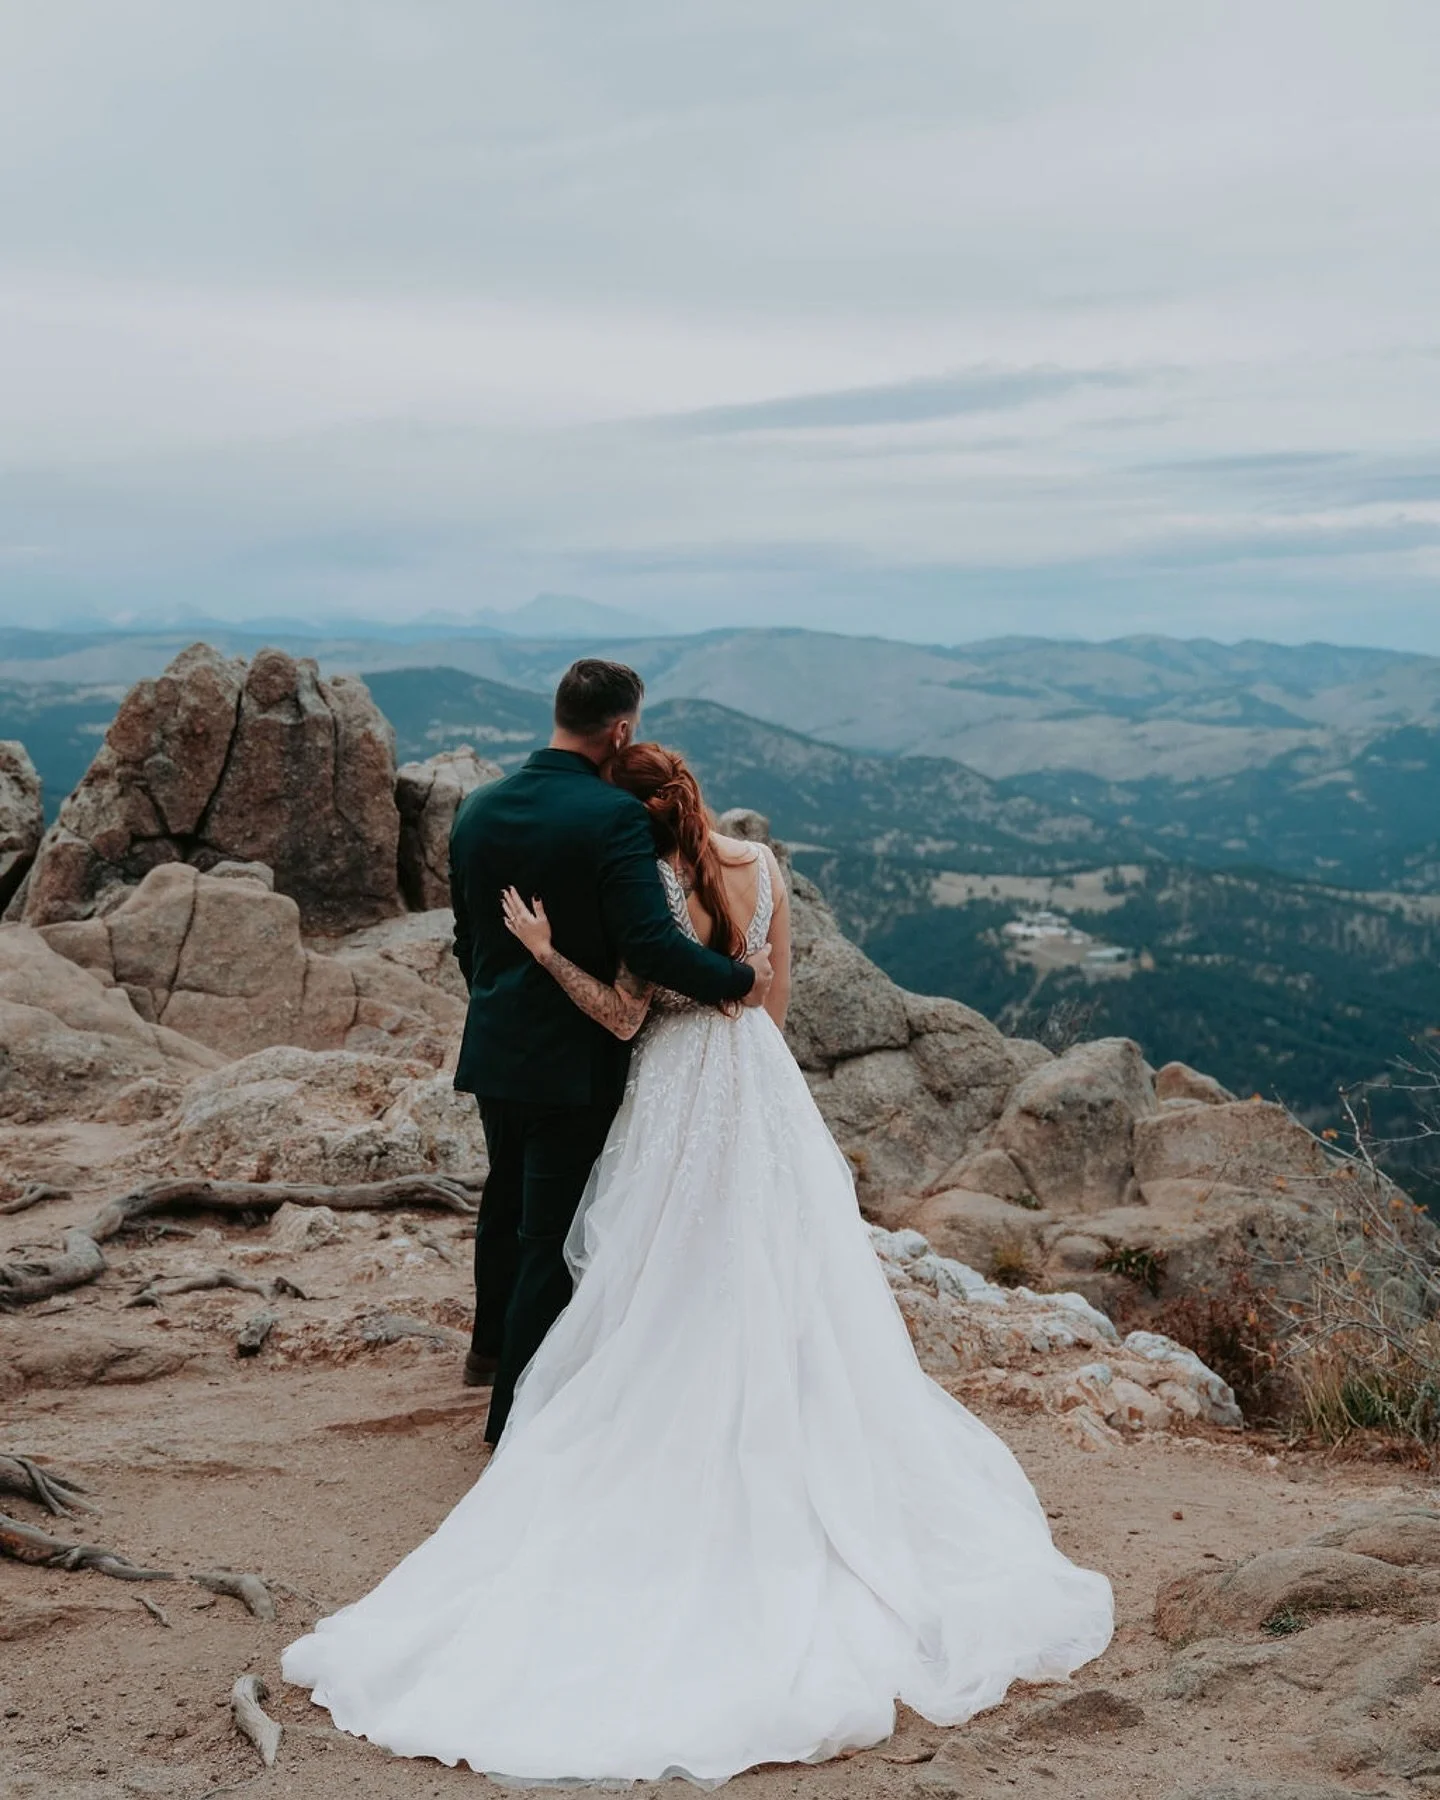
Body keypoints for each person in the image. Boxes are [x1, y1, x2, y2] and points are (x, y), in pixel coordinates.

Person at [282, 741, 1114, 1786]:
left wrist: (545, 950)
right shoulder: (762, 866)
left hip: (676, 1088)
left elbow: (626, 1012)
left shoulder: (652, 881)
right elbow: (772, 997)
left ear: (634, 814)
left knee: (662, 1264)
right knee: (778, 1258)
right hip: (760, 1083)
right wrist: (751, 1068)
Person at [444, 659, 772, 1442]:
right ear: (620, 731)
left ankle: (487, 1351)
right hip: (575, 1056)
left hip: (496, 1047)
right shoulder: (614, 818)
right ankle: (512, 1419)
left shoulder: (478, 807)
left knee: (505, 1201)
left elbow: (466, 938)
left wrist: (503, 1003)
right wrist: (739, 977)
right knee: (552, 1234)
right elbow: (652, 945)